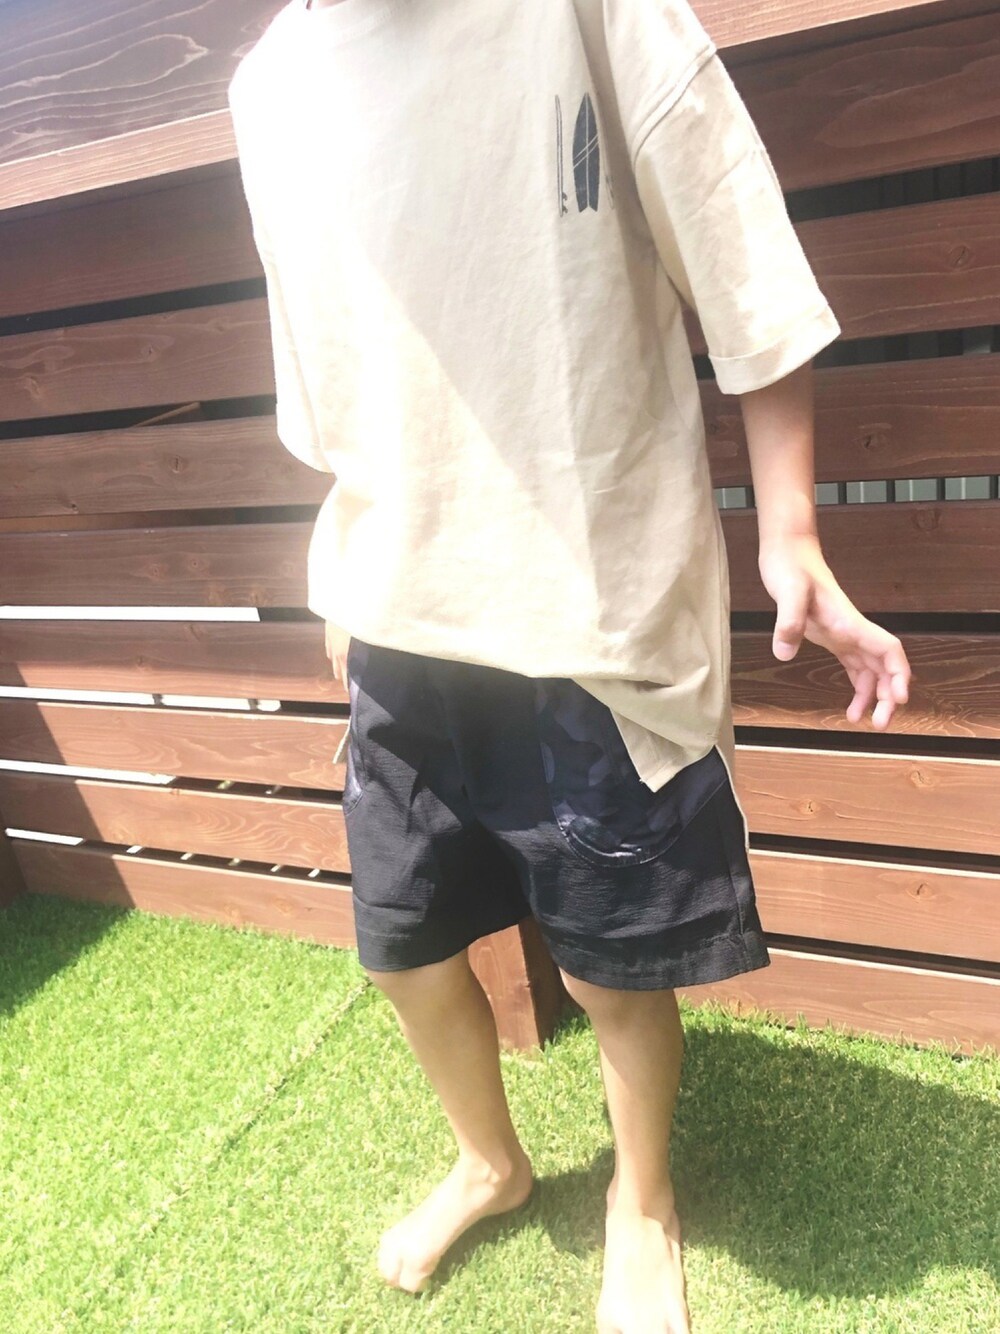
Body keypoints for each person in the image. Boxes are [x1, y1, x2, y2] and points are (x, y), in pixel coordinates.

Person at [228, 1, 912, 1328]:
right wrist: (344, 589)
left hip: (595, 619)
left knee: (612, 964)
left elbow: (743, 257)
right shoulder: (270, 90)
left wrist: (792, 536)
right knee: (402, 941)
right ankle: (489, 1161)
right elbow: (328, 376)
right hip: (394, 615)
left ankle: (643, 1201)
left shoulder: (582, 11)